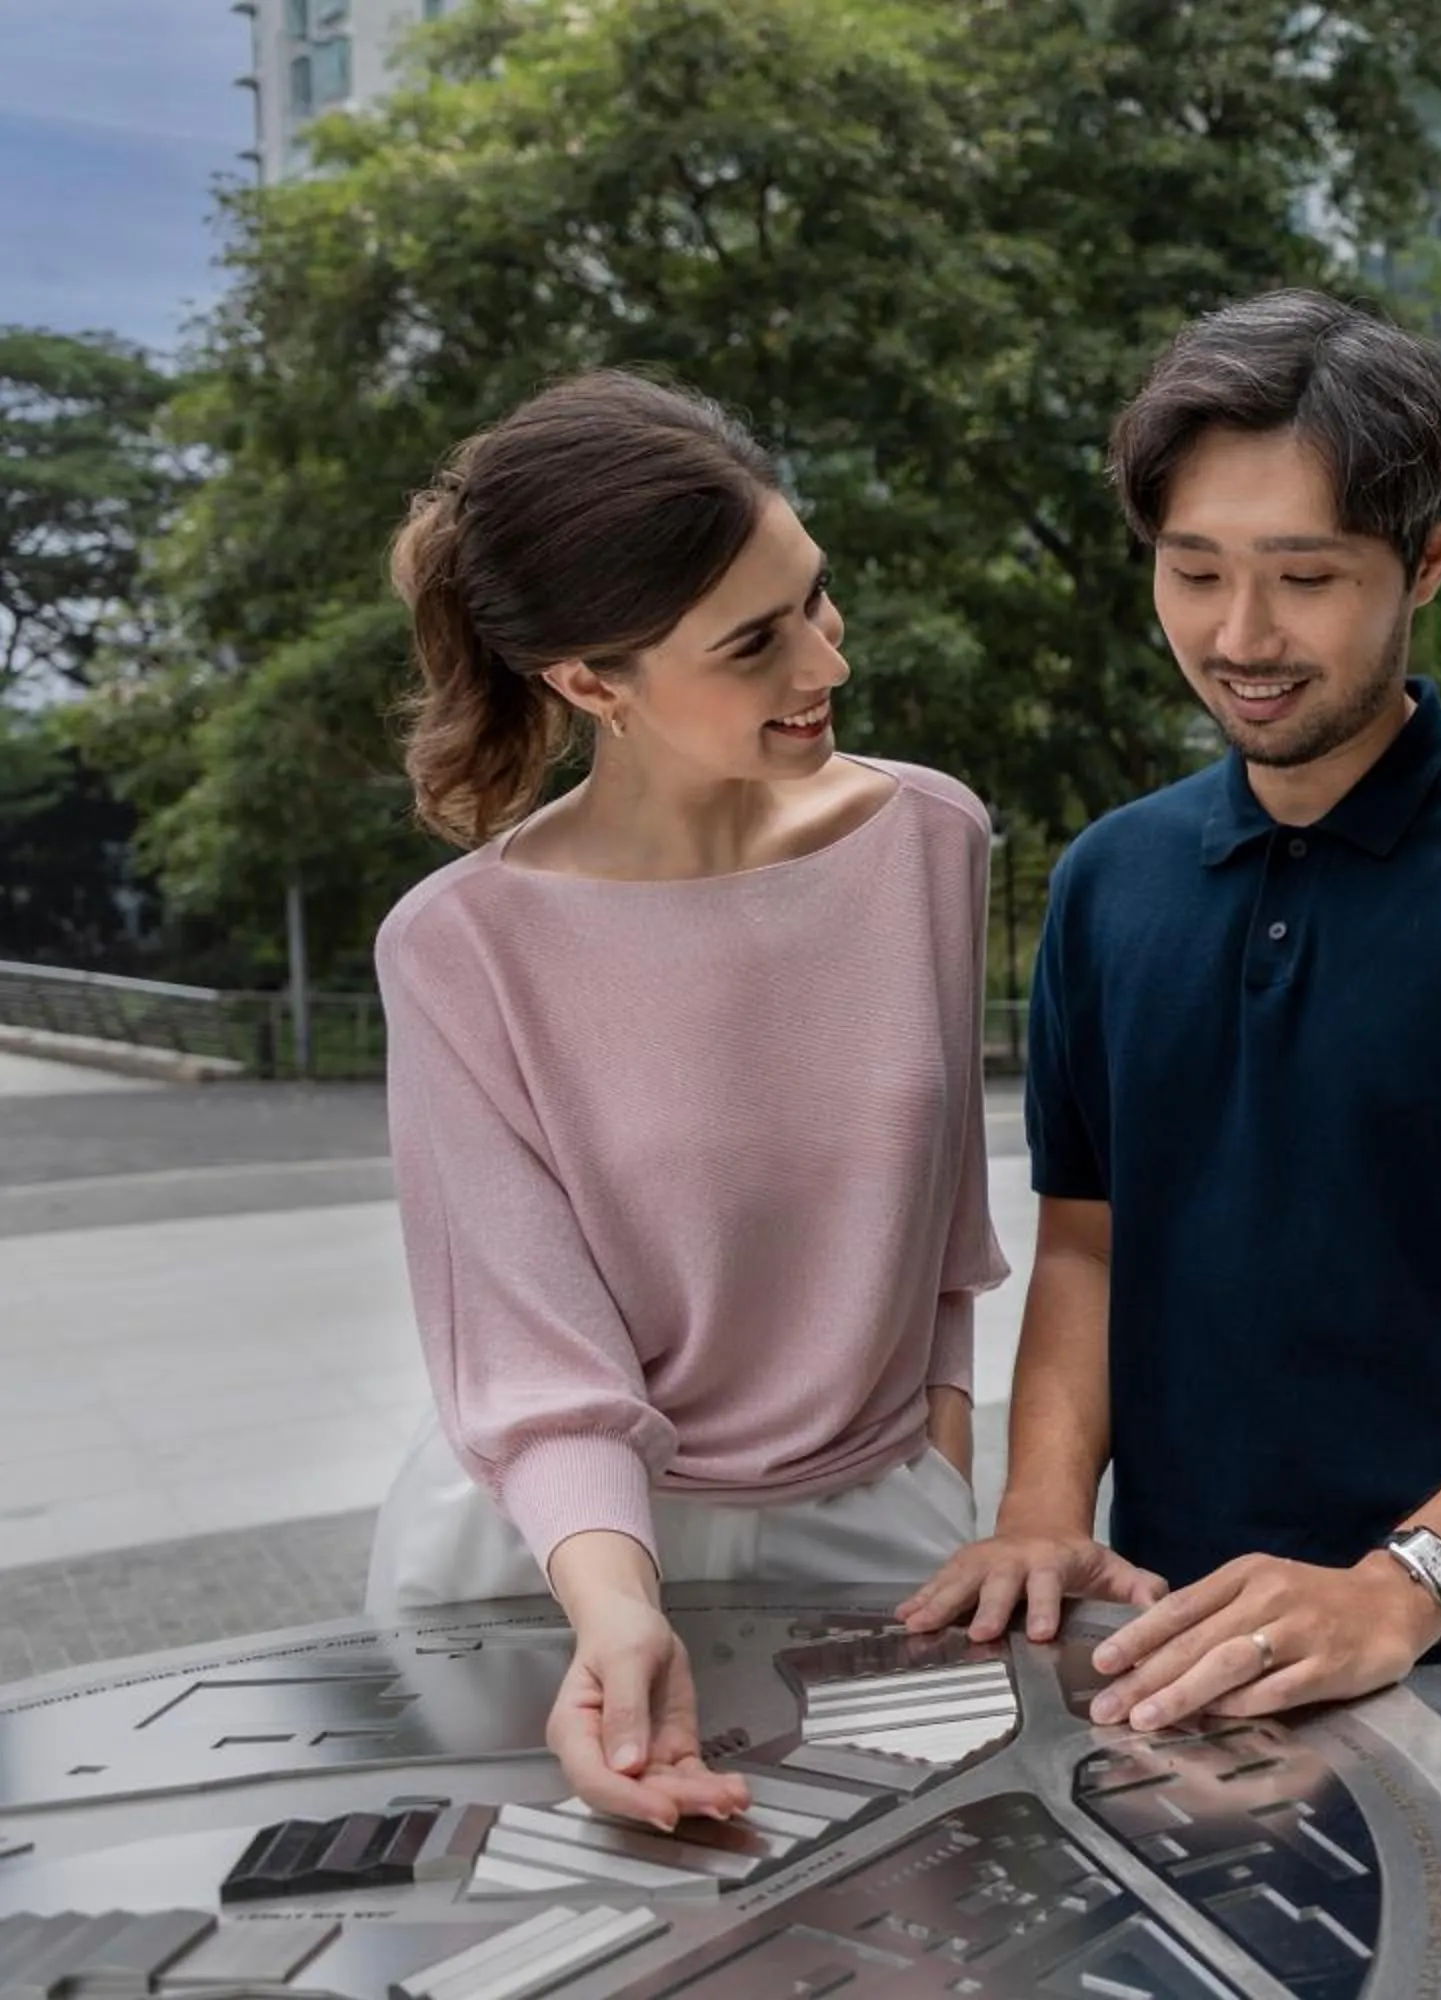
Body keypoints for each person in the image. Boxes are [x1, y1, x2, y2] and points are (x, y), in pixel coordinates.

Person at [899, 290, 1441, 1955]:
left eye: (1305, 576)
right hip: (1151, 1643)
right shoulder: (1109, 881)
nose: (1241, 632)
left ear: (1425, 561)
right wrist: (1045, 1514)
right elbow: (1086, 1239)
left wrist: (1403, 1583)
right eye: (1194, 570)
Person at [363, 370, 1022, 1833]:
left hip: (879, 1535)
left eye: (817, 597)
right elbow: (535, 1371)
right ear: (594, 682)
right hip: (559, 1570)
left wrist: (933, 1470)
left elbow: (943, 1230)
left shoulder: (931, 840)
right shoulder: (460, 950)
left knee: (918, 1937)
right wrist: (614, 1616)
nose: (824, 661)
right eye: (754, 641)